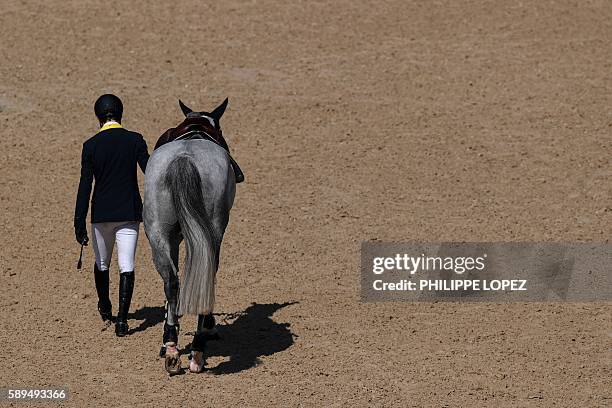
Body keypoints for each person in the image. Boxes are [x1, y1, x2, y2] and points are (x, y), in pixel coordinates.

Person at [74, 94, 149, 337]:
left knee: (102, 263)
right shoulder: (135, 140)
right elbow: (151, 171)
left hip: (101, 215)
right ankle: (123, 321)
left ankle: (105, 306)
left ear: (98, 116)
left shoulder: (91, 145)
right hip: (128, 212)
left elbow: (85, 186)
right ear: (120, 113)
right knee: (126, 265)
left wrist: (79, 222)